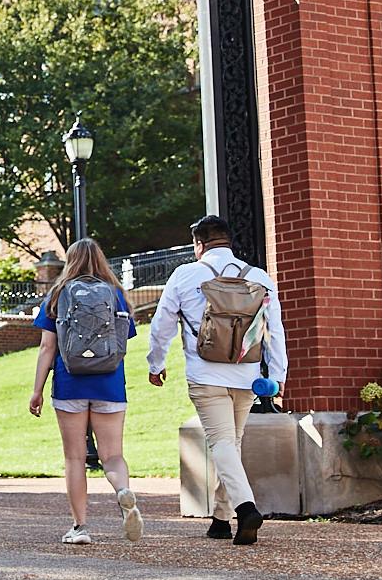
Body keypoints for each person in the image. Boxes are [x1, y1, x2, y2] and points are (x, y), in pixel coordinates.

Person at [145, 214, 287, 545]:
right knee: (231, 443)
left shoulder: (185, 275)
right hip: (246, 374)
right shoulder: (259, 277)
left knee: (221, 443)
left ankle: (245, 507)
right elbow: (274, 333)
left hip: (205, 374)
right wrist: (277, 377)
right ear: (228, 241)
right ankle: (221, 520)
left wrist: (156, 364)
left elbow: (162, 325)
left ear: (199, 244)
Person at [27, 239, 141, 544]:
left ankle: (80, 527)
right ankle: (123, 493)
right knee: (113, 455)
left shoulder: (57, 295)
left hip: (70, 383)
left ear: (70, 261)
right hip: (109, 384)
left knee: (75, 458)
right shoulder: (116, 295)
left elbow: (46, 348)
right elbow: (123, 345)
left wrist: (37, 391)